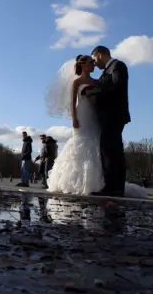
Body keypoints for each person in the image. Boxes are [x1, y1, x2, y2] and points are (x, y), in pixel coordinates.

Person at [45, 52, 147, 198]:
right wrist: (74, 118)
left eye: (93, 62)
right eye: (90, 62)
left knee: (97, 142)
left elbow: (103, 94)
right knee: (81, 141)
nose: (93, 65)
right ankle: (78, 180)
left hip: (95, 114)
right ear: (83, 64)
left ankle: (99, 182)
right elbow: (72, 102)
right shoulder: (77, 82)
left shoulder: (97, 81)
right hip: (82, 114)